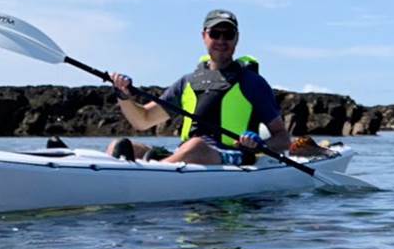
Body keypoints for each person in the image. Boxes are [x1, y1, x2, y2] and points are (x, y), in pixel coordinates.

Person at [107, 9, 291, 165]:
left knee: (195, 146)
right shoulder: (187, 82)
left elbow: (283, 138)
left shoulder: (253, 83)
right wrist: (123, 96)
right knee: (121, 145)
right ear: (204, 36)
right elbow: (143, 120)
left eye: (228, 34)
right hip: (186, 154)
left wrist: (260, 146)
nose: (221, 40)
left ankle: (147, 177)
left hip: (232, 155)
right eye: (215, 33)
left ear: (237, 39)